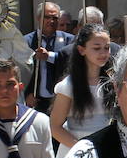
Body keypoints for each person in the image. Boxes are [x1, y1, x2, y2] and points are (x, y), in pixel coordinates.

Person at [49, 22, 114, 150]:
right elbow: (55, 127)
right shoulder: (68, 86)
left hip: (107, 147)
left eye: (106, 48)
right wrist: (82, 149)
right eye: (96, 48)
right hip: (76, 150)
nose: (103, 53)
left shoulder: (113, 82)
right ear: (81, 49)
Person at [24, 1, 74, 113]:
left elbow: (70, 62)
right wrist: (26, 94)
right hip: (36, 100)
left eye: (55, 18)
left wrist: (49, 56)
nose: (51, 21)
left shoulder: (69, 40)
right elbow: (21, 72)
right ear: (38, 18)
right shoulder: (26, 42)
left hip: (61, 98)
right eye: (47, 17)